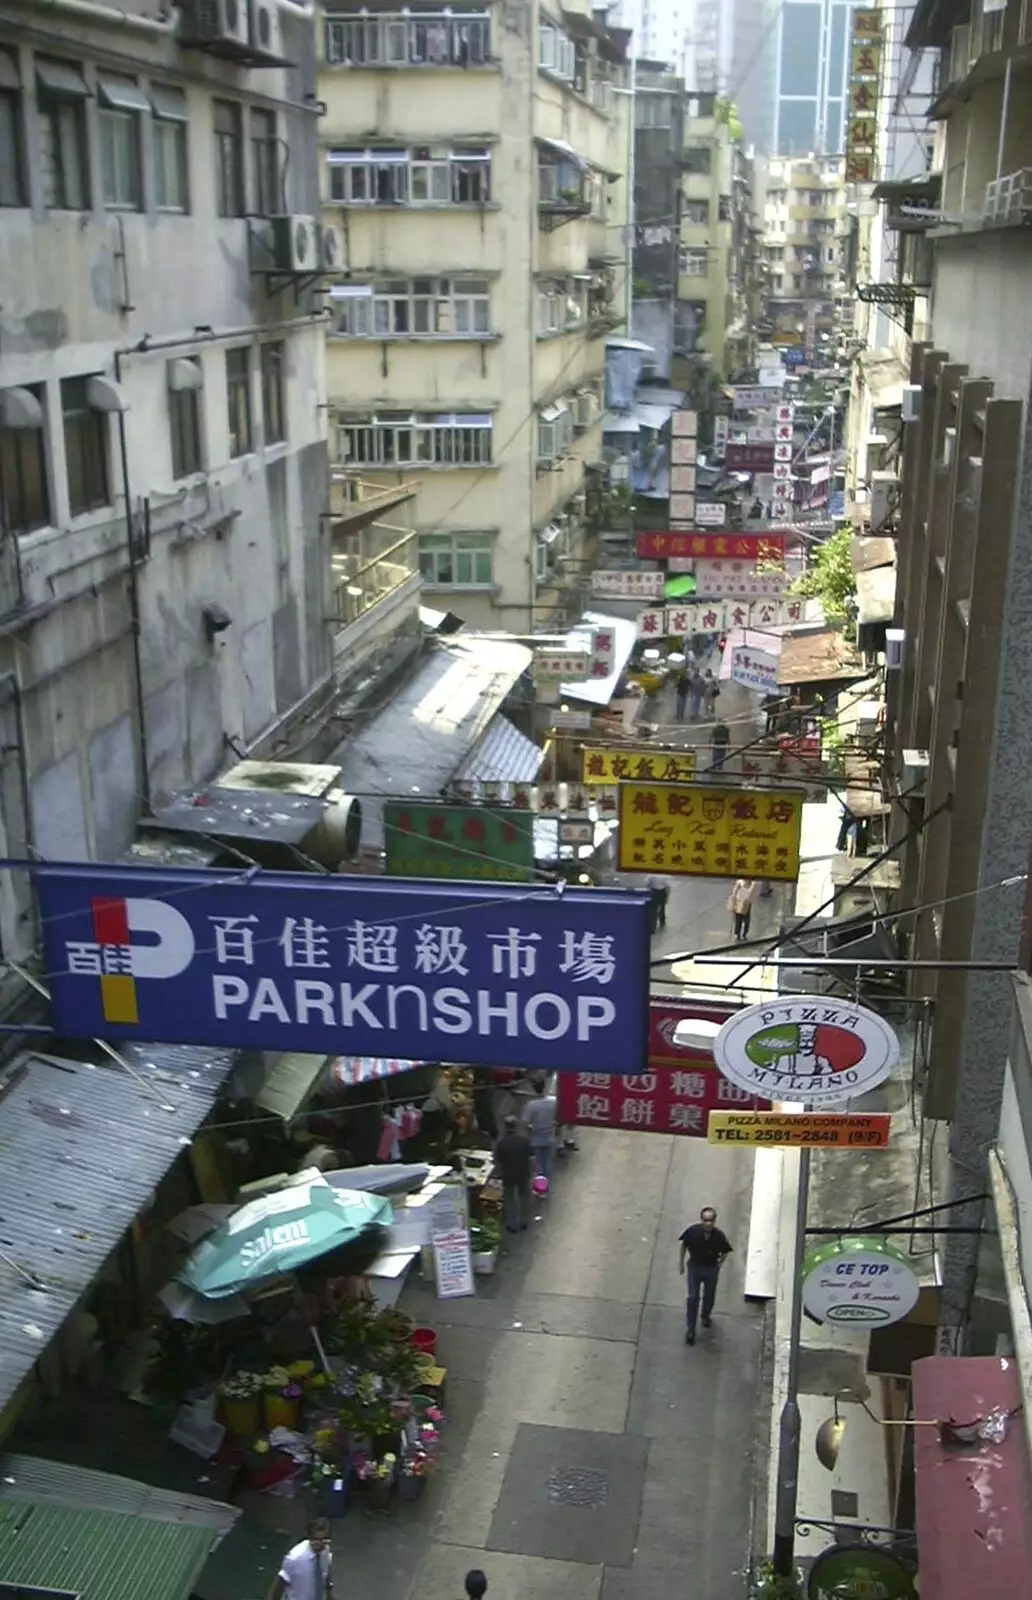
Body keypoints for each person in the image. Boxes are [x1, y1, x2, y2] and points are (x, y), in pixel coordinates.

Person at [679, 1207, 733, 1345]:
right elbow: (684, 1245)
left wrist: (719, 1264)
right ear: (701, 1220)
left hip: (710, 1269)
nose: (708, 1223)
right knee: (692, 1298)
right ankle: (690, 1329)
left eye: (710, 1220)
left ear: (714, 1221)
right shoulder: (692, 1232)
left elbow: (726, 1251)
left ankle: (705, 1315)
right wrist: (681, 1263)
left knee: (709, 1295)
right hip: (695, 1267)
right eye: (705, 1220)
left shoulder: (719, 1236)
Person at [273, 1520, 333, 1600]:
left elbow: (325, 1572)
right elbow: (280, 1584)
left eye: (324, 1539)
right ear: (309, 1538)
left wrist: (329, 1594)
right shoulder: (295, 1558)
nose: (321, 1544)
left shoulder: (325, 1550)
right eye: (316, 1540)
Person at [493, 1113, 532, 1232]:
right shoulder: (524, 1141)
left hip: (508, 1175)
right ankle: (524, 1221)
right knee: (524, 1197)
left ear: (505, 1127)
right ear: (516, 1126)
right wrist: (532, 1172)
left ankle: (512, 1224)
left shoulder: (502, 1144)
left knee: (510, 1200)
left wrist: (498, 1174)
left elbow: (498, 1161)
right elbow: (531, 1158)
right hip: (523, 1173)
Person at [524, 1074, 557, 1184]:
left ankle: (540, 1187)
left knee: (538, 1165)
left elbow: (526, 1122)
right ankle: (545, 1184)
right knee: (546, 1162)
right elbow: (558, 1119)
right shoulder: (552, 1104)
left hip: (535, 1138)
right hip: (549, 1138)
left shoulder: (531, 1105)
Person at [728, 877, 756, 942]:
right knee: (738, 919)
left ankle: (744, 933)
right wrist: (734, 903)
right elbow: (734, 892)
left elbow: (750, 892)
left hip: (747, 903)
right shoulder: (740, 882)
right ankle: (737, 934)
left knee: (747, 920)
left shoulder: (752, 883)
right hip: (739, 902)